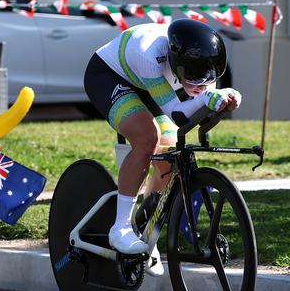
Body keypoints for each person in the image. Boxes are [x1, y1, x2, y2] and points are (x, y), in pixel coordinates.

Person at [83, 19, 241, 276]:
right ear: (177, 63)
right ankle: (120, 228)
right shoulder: (148, 53)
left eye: (206, 82)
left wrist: (223, 106)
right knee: (147, 139)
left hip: (152, 86)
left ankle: (145, 230)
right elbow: (178, 114)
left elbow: (199, 118)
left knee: (170, 157)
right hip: (111, 77)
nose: (200, 86)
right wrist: (206, 99)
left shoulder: (203, 62)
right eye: (192, 80)